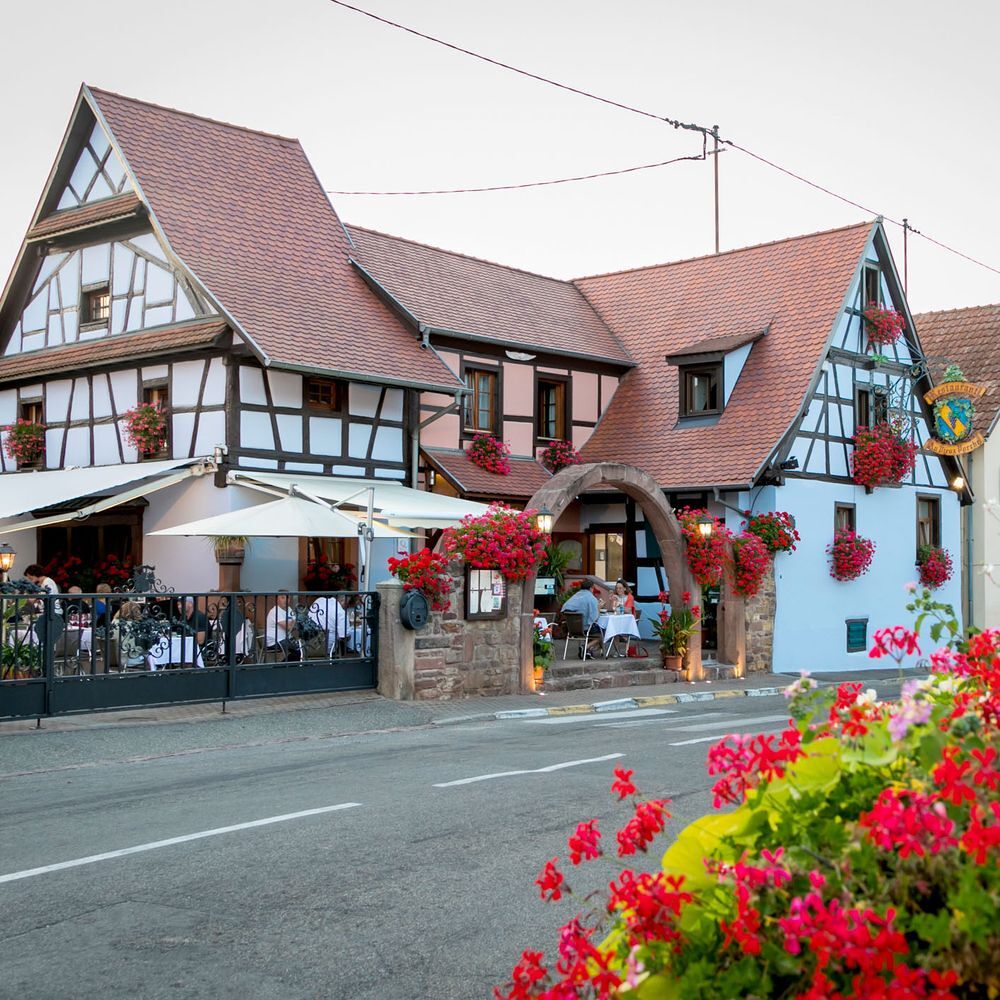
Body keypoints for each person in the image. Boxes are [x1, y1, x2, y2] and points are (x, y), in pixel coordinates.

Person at [24, 563, 64, 648]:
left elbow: (49, 598)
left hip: (52, 613)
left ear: (34, 575)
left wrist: (34, 599)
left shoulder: (47, 582)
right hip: (47, 612)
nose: (29, 579)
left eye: (30, 577)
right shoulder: (42, 584)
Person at [561, 584, 605, 659]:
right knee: (603, 632)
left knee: (593, 629)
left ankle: (588, 651)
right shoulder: (591, 598)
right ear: (591, 588)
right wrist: (599, 608)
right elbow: (595, 618)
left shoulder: (574, 597)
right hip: (585, 629)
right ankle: (585, 647)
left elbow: (563, 609)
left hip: (572, 629)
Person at [308, 592, 349, 657]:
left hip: (308, 644)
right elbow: (343, 635)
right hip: (327, 648)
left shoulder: (319, 600)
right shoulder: (341, 612)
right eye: (347, 603)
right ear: (343, 600)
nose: (346, 606)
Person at [111, 601, 147, 670]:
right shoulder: (132, 625)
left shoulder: (114, 622)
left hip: (113, 658)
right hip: (128, 659)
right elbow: (133, 646)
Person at [264, 591, 300, 661]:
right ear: (277, 599)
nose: (286, 600)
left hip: (285, 640)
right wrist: (292, 623)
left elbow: (296, 624)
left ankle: (284, 667)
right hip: (274, 641)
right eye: (283, 598)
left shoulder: (289, 609)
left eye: (288, 598)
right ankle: (282, 668)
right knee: (297, 649)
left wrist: (292, 623)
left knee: (300, 648)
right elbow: (288, 627)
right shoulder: (275, 611)